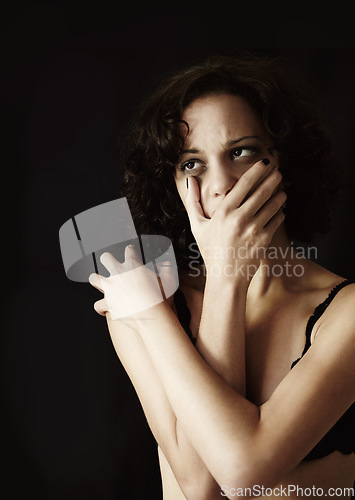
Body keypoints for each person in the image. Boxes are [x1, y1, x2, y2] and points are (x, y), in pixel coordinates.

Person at [89, 52, 355, 499]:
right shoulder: (145, 300)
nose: (219, 184)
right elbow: (203, 486)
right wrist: (325, 482)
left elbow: (238, 480)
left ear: (284, 164)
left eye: (241, 152)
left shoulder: (346, 313)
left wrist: (224, 277)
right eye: (192, 163)